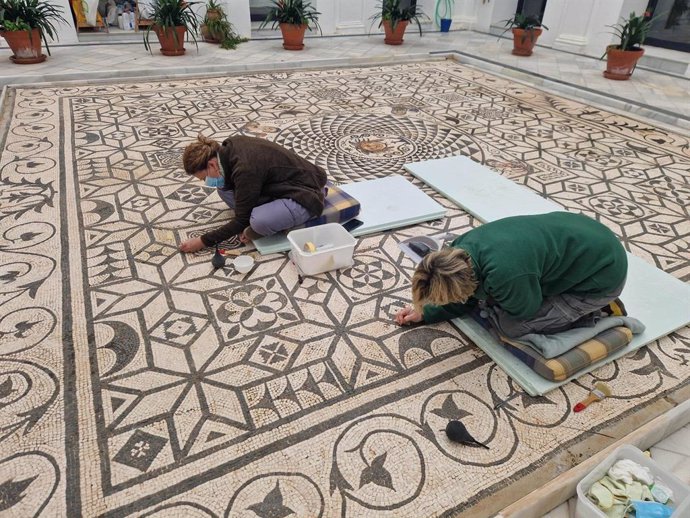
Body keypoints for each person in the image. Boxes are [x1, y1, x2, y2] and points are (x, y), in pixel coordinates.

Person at [395, 212, 628, 338]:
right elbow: (466, 295)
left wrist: (495, 300)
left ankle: (595, 314)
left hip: (602, 278)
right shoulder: (457, 249)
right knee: (501, 302)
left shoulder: (506, 275)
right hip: (586, 234)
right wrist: (424, 312)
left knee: (511, 327)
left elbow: (525, 310)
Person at [179, 134, 328, 253]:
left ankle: (275, 220)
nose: (206, 181)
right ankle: (274, 214)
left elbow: (241, 220)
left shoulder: (245, 168)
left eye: (204, 177)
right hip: (278, 185)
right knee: (224, 189)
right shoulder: (227, 149)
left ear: (211, 164)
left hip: (307, 190)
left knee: (259, 221)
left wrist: (203, 241)